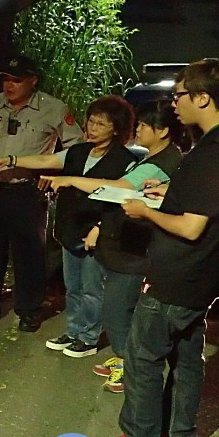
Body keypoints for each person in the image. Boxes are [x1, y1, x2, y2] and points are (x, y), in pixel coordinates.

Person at [101, 58, 219, 437]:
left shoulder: (214, 151)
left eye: (180, 95)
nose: (174, 104)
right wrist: (172, 186)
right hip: (208, 273)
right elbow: (217, 194)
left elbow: (191, 227)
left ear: (203, 98)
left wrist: (144, 210)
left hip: (180, 271)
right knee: (188, 358)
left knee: (143, 357)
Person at [42, 102, 184, 391]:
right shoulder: (154, 159)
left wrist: (70, 180)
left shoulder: (161, 162)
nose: (139, 130)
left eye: (144, 126)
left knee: (118, 312)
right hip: (125, 246)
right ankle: (124, 361)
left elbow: (119, 188)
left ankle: (131, 369)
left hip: (133, 251)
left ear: (163, 131)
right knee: (115, 307)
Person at [0, 95, 137, 357]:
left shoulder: (125, 160)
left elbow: (122, 200)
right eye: (91, 121)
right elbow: (46, 161)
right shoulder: (78, 151)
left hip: (95, 232)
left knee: (92, 289)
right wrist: (11, 160)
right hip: (70, 229)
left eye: (101, 124)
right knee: (73, 287)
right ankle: (73, 331)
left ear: (116, 128)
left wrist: (100, 227)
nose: (92, 128)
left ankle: (88, 338)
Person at [0, 55, 83, 332]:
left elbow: (76, 145)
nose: (9, 86)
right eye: (6, 80)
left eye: (16, 80)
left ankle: (29, 309)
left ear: (33, 81)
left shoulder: (53, 108)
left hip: (28, 190)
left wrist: (53, 172)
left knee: (29, 253)